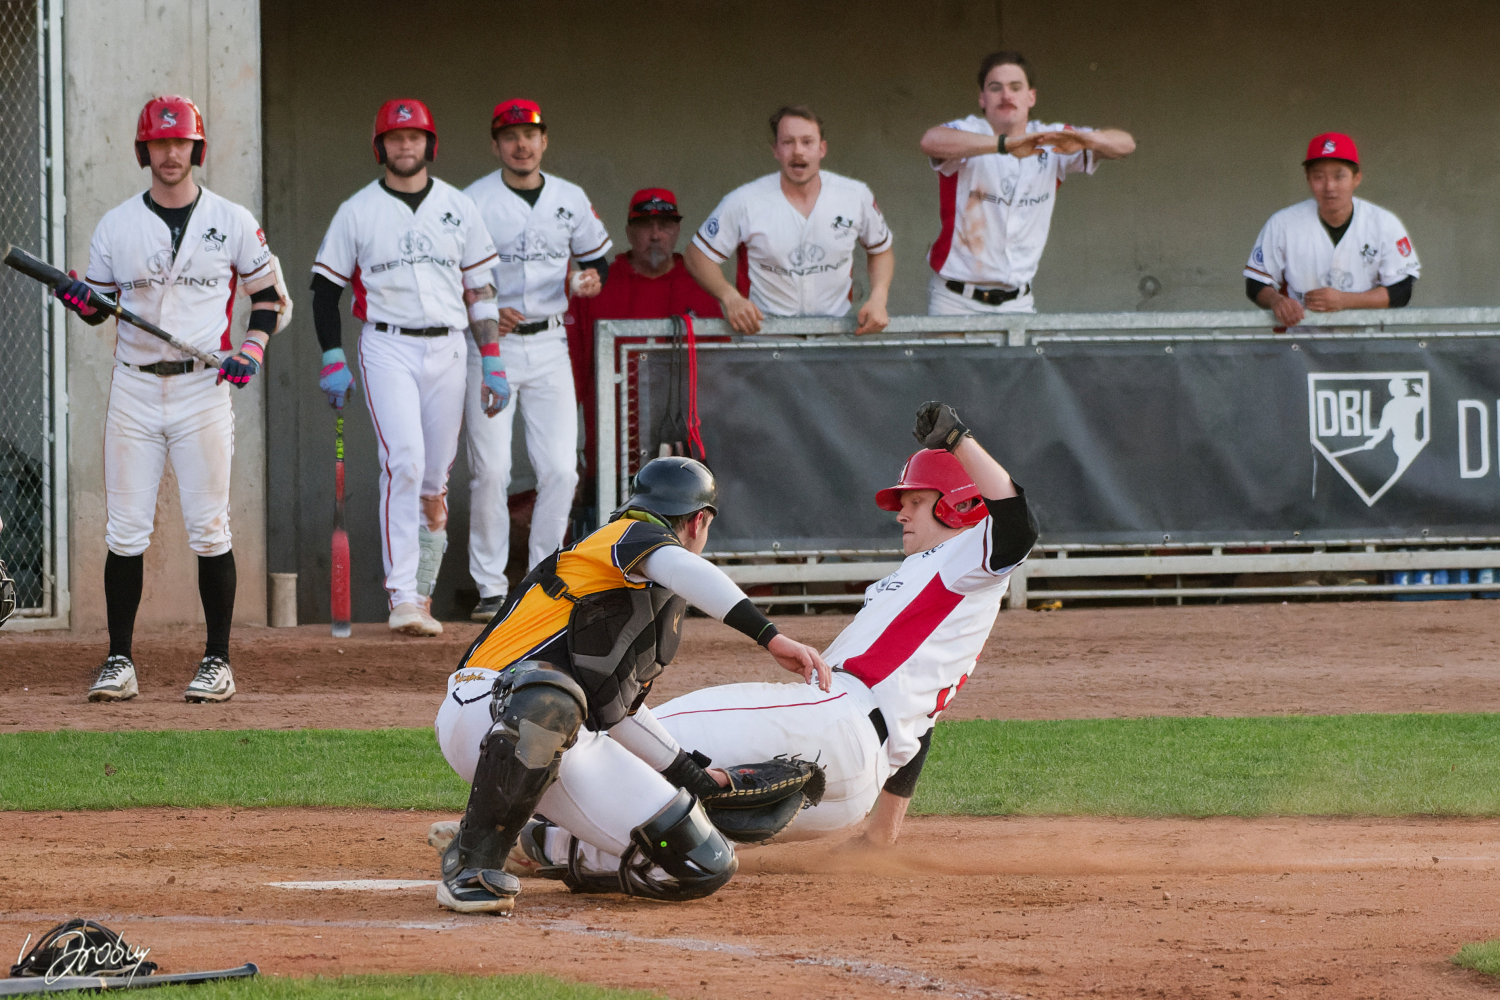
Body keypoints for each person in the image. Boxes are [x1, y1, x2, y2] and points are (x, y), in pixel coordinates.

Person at [433, 402, 1036, 888]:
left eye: (913, 502)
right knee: (688, 819)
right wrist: (881, 836)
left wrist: (956, 441)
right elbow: (922, 719)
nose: (900, 514)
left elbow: (1018, 525)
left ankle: (504, 825)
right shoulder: (929, 583)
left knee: (645, 738)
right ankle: (548, 842)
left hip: (835, 715)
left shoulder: (968, 556)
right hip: (854, 781)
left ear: (960, 505)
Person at [429, 456, 833, 914]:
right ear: (700, 521)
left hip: (553, 735)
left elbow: (618, 711)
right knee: (552, 698)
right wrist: (770, 636)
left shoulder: (635, 594)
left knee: (703, 863)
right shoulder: (626, 537)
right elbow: (688, 571)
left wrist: (695, 778)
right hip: (483, 706)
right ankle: (471, 866)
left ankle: (543, 842)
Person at [54, 95, 291, 704]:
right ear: (145, 150)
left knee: (210, 528)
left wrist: (252, 350)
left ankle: (217, 660)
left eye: (180, 142)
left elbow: (268, 298)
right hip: (134, 384)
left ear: (196, 148)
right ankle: (118, 660)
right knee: (125, 531)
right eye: (160, 143)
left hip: (201, 387)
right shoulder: (115, 225)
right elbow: (96, 306)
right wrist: (80, 301)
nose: (170, 153)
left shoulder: (232, 219)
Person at [310, 99, 502, 636]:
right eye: (395, 138)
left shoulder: (458, 206)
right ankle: (401, 595)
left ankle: (422, 594)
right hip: (388, 345)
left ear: (430, 144)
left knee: (434, 483)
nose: (405, 146)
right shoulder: (357, 209)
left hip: (450, 346)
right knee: (406, 462)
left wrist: (493, 360)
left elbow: (480, 290)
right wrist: (332, 355)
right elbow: (325, 291)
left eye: (414, 137)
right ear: (381, 146)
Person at [464, 99, 613, 624]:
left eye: (529, 134)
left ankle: (544, 575)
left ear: (544, 140)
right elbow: (453, 271)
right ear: (496, 144)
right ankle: (489, 585)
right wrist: (480, 305)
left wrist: (587, 280)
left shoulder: (569, 197)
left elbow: (597, 261)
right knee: (493, 469)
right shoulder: (473, 200)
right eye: (509, 135)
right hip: (491, 345)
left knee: (559, 469)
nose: (521, 144)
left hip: (549, 341)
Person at [920, 51, 1135, 315]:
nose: (1006, 95)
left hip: (1018, 302)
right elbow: (930, 141)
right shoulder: (970, 131)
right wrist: (1004, 145)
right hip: (955, 300)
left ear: (1031, 96)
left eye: (1016, 87)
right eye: (995, 88)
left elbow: (1126, 144)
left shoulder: (1050, 136)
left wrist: (1086, 139)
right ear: (982, 98)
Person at [684, 105, 894, 335]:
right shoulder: (745, 201)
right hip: (767, 338)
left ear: (822, 149)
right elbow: (697, 256)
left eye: (807, 142)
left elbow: (881, 250)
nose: (798, 152)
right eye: (788, 142)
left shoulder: (855, 195)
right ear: (775, 150)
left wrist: (878, 297)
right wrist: (730, 298)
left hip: (836, 337)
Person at [565, 187, 723, 482]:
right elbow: (572, 374)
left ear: (676, 230)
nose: (655, 235)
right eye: (644, 226)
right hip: (614, 448)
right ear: (628, 231)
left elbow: (723, 377)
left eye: (664, 225)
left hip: (689, 450)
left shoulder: (702, 287)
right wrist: (566, 450)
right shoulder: (598, 288)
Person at [1244, 133, 1420, 327]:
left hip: (1365, 343)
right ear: (1308, 179)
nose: (1329, 186)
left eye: (1339, 176)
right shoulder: (1283, 223)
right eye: (1319, 177)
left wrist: (1345, 301)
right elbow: (1256, 283)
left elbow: (1402, 291)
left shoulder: (1384, 223)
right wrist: (1277, 301)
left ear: (1357, 178)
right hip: (1301, 346)